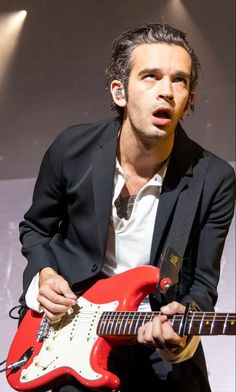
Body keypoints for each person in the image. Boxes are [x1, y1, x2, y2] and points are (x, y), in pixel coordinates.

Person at [19, 23, 235, 392]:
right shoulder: (71, 149)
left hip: (152, 328)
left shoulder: (213, 177)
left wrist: (182, 325)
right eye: (151, 77)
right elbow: (36, 229)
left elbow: (201, 283)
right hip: (68, 326)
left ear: (191, 100)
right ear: (119, 91)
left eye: (179, 81)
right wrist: (44, 276)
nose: (166, 91)